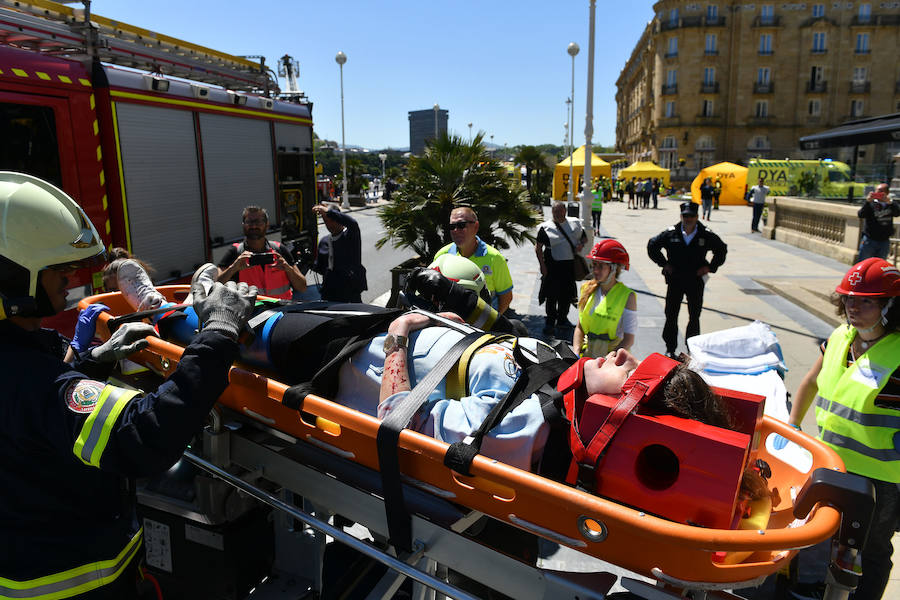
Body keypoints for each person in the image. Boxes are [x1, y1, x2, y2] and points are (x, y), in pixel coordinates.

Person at [0, 172, 256, 599]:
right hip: (74, 585)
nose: (68, 278)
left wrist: (90, 365)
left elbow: (42, 425)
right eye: (55, 269)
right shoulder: (27, 376)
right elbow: (146, 436)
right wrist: (219, 331)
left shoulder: (22, 359)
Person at [787, 258, 900, 600]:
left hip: (881, 479)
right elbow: (810, 382)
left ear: (891, 305)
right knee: (824, 536)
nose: (853, 306)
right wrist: (792, 426)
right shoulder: (839, 337)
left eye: (866, 300)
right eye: (849, 298)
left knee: (872, 549)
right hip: (832, 465)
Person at [647, 201, 728, 358]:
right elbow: (652, 245)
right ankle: (670, 348)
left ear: (697, 217)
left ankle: (692, 348)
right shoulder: (671, 233)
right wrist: (664, 264)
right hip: (675, 279)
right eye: (685, 216)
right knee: (671, 314)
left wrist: (711, 267)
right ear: (681, 216)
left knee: (694, 315)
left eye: (691, 216)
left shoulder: (705, 234)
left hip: (695, 280)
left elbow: (721, 249)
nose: (688, 219)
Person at [434, 206, 513, 315]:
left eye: (461, 225)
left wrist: (492, 321)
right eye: (452, 226)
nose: (456, 230)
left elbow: (506, 296)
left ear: (476, 226)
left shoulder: (495, 258)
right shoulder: (442, 255)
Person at [217, 205, 307, 299]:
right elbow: (215, 288)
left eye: (258, 221)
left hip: (283, 311)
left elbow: (302, 287)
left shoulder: (279, 249)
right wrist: (233, 268)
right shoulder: (235, 252)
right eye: (249, 222)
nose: (254, 225)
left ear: (267, 224)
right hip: (253, 313)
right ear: (243, 225)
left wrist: (289, 270)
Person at [573, 240, 637, 357]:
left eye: (601, 266)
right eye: (594, 265)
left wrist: (608, 359)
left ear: (614, 268)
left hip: (613, 358)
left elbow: (628, 340)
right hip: (587, 355)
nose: (595, 270)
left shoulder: (628, 296)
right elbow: (580, 327)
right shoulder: (586, 288)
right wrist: (576, 353)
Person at [535, 202, 587, 334]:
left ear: (565, 211)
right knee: (551, 295)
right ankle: (550, 321)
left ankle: (562, 319)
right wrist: (542, 265)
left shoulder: (575, 224)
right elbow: (538, 247)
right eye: (554, 212)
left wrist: (580, 245)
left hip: (568, 266)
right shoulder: (545, 228)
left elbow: (584, 238)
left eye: (559, 211)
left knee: (567, 294)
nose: (557, 214)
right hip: (552, 266)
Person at [311, 203, 368, 303]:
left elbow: (352, 223)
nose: (329, 225)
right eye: (326, 221)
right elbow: (320, 267)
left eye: (332, 220)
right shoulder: (324, 242)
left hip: (350, 294)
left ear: (339, 218)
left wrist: (328, 212)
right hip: (330, 294)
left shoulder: (350, 236)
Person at [857, 183, 899, 261]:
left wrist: (890, 203)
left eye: (881, 192)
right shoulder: (870, 204)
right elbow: (861, 214)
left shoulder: (890, 204)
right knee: (863, 263)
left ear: (886, 193)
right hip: (869, 240)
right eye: (877, 191)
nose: (878, 193)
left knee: (879, 264)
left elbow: (897, 213)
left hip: (884, 241)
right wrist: (867, 202)